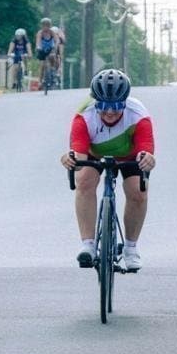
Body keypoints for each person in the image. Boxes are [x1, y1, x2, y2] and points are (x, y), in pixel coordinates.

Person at [59, 69, 155, 271]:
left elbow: (145, 150)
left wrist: (148, 160)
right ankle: (88, 245)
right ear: (95, 102)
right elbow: (79, 155)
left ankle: (130, 248)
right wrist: (71, 160)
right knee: (84, 180)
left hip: (129, 155)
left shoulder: (138, 115)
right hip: (95, 152)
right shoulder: (83, 116)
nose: (110, 112)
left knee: (138, 190)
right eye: (103, 106)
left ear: (125, 102)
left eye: (117, 106)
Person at [35, 18, 60, 87]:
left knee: (52, 57)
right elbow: (38, 41)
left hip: (50, 48)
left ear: (49, 26)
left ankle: (53, 71)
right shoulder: (40, 33)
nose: (46, 27)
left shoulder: (52, 32)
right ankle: (40, 81)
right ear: (42, 26)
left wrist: (55, 46)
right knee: (42, 65)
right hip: (42, 49)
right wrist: (38, 47)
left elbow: (57, 40)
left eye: (47, 25)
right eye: (44, 25)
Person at [7, 27, 30, 91]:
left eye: (19, 35)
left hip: (24, 55)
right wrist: (10, 54)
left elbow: (29, 51)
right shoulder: (14, 41)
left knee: (24, 58)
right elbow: (10, 50)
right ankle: (14, 82)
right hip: (16, 55)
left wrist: (29, 55)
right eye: (16, 35)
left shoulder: (26, 41)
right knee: (15, 68)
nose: (17, 37)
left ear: (22, 36)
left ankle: (26, 70)